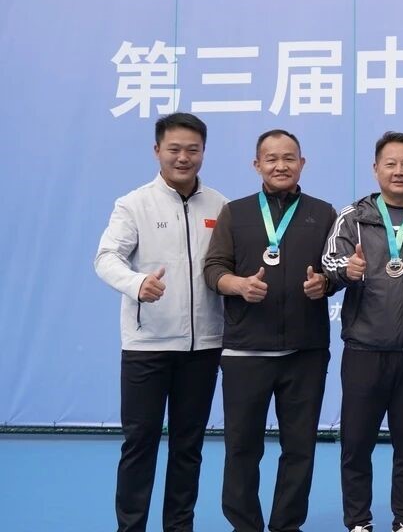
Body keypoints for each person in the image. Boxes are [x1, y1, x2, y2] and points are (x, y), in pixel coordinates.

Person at [94, 112, 227, 532]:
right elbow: (106, 258)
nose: (183, 157)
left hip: (204, 347)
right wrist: (137, 284)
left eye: (192, 150)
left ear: (203, 152)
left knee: (189, 448)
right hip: (147, 346)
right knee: (140, 445)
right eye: (174, 149)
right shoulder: (133, 204)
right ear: (157, 151)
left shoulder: (220, 205)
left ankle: (179, 526)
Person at [203, 129, 337, 532]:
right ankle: (244, 525)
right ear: (256, 164)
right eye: (272, 158)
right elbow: (213, 269)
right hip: (246, 352)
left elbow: (336, 269)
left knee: (300, 449)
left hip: (305, 352)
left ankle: (286, 525)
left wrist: (325, 284)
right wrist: (238, 285)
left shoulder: (323, 213)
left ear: (302, 163)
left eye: (289, 158)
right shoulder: (235, 212)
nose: (281, 165)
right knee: (242, 448)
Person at [322, 131, 403, 532]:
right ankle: (358, 521)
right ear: (376, 169)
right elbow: (329, 263)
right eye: (390, 164)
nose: (398, 171)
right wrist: (347, 269)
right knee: (357, 444)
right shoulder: (352, 218)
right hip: (365, 351)